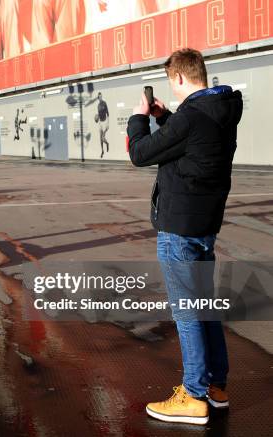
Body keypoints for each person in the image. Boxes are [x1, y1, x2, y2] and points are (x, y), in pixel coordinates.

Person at [128, 48, 243, 425]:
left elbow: (141, 154)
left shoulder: (191, 118)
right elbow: (190, 139)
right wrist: (167, 117)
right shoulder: (221, 110)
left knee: (187, 312)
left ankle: (193, 396)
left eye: (170, 82)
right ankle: (215, 387)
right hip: (204, 224)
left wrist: (140, 117)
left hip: (178, 228)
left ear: (178, 78)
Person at [95, 92, 110, 158]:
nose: (100, 98)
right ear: (98, 98)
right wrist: (96, 118)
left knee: (103, 138)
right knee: (100, 138)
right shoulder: (98, 105)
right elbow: (98, 114)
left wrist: (108, 123)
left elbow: (108, 113)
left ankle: (107, 144)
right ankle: (102, 151)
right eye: (99, 97)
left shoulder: (104, 103)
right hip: (100, 122)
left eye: (101, 96)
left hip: (105, 122)